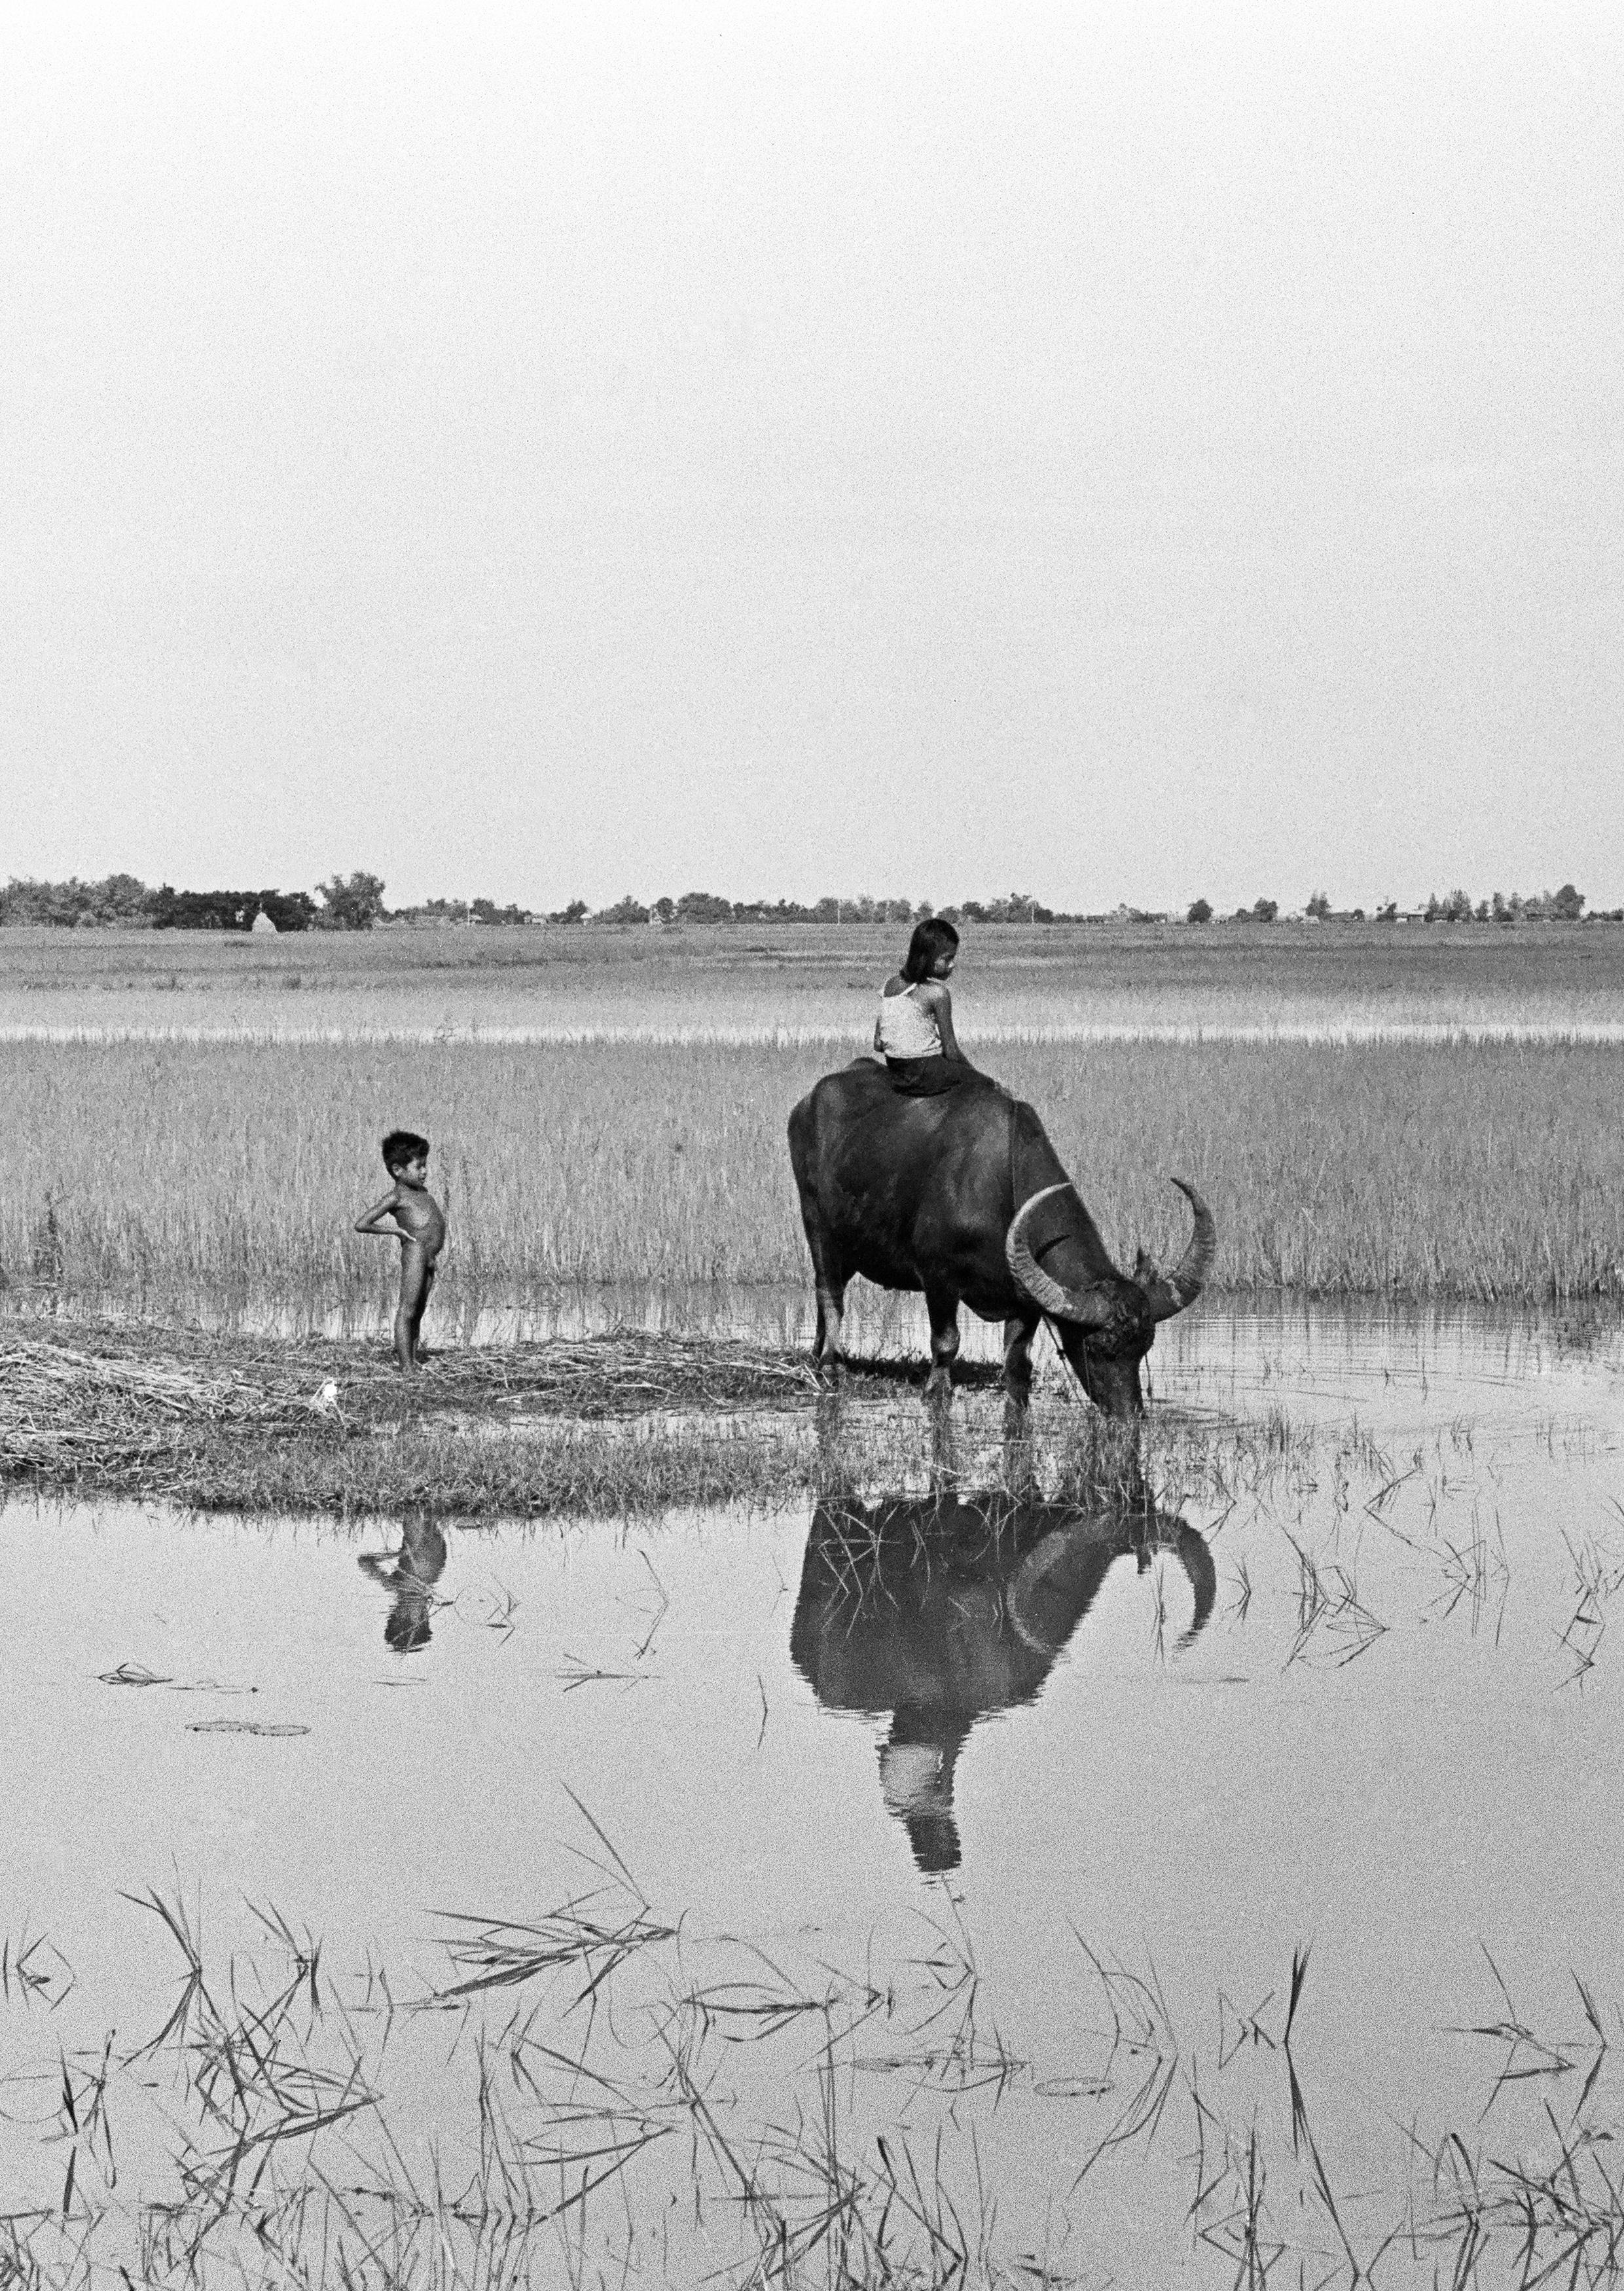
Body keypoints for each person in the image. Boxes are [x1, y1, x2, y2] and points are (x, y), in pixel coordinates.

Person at [355, 1129, 446, 1371]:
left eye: (426, 1165)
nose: (425, 1172)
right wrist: (395, 1232)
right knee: (407, 1309)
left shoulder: (422, 1193)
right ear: (398, 1170)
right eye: (419, 1167)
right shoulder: (396, 1196)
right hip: (415, 1252)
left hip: (430, 1256)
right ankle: (406, 1367)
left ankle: (412, 1360)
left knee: (418, 1311)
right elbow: (362, 1224)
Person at [874, 918, 974, 1095]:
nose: (952, 965)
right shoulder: (937, 993)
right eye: (947, 958)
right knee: (981, 1084)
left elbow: (878, 1045)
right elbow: (952, 1052)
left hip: (897, 1073)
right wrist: (980, 1078)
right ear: (927, 957)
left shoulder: (888, 986)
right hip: (925, 1074)